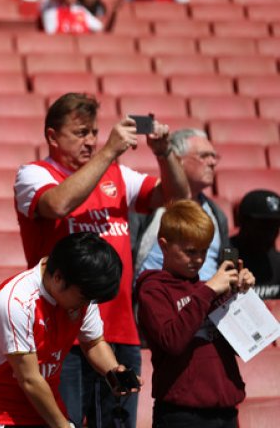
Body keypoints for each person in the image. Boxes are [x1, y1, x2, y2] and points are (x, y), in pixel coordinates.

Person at [14, 92, 189, 427]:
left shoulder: (118, 176)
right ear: (52, 136)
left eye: (94, 132)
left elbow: (178, 197)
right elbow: (58, 205)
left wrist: (165, 153)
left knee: (119, 423)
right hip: (61, 334)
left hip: (120, 331)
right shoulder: (34, 174)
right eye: (81, 133)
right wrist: (109, 151)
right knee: (66, 422)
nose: (91, 141)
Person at [0, 232, 140, 428]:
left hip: (43, 409)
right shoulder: (15, 302)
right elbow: (29, 379)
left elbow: (93, 343)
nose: (88, 305)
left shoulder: (82, 294)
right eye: (84, 298)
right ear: (58, 278)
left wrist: (113, 371)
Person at [137, 199, 255, 428]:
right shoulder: (153, 289)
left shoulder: (208, 289)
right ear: (164, 245)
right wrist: (209, 291)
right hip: (181, 413)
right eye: (190, 252)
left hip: (225, 410)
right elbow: (172, 342)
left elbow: (244, 343)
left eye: (203, 251)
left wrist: (241, 296)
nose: (199, 259)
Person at [132, 129, 230, 281]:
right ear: (177, 160)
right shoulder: (147, 205)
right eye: (204, 156)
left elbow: (226, 263)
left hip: (207, 300)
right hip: (159, 298)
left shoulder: (216, 214)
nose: (212, 163)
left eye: (214, 156)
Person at [230, 190, 280, 299]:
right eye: (263, 226)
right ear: (242, 221)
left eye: (275, 226)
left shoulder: (277, 261)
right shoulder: (227, 255)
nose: (270, 233)